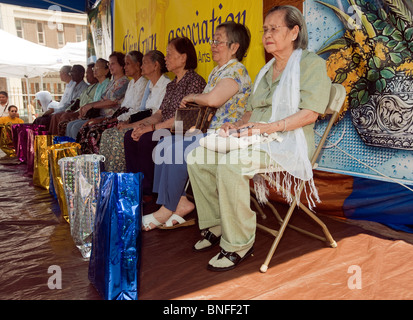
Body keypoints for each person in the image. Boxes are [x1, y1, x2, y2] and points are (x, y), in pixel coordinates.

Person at [187, 5, 332, 272]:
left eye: (274, 29)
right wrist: (236, 125)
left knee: (231, 164)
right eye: (265, 29)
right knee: (197, 156)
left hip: (289, 140)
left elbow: (310, 114)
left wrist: (266, 128)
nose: (267, 34)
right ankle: (217, 224)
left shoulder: (312, 64)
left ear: (294, 32)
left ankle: (238, 243)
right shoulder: (266, 70)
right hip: (257, 137)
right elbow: (253, 112)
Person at [145, 22, 252, 231]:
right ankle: (178, 201)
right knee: (163, 145)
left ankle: (167, 208)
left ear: (234, 47)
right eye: (212, 40)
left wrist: (192, 96)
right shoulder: (217, 71)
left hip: (224, 135)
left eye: (218, 41)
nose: (212, 45)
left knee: (176, 151)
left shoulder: (236, 71)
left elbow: (212, 99)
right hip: (206, 132)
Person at [123, 40, 206, 199]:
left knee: (147, 139)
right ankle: (135, 186)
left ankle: (150, 193)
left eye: (169, 54)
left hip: (182, 129)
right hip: (164, 126)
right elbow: (159, 113)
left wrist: (152, 129)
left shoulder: (194, 81)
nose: (165, 58)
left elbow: (183, 118)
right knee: (130, 136)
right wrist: (142, 125)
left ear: (183, 58)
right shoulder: (172, 85)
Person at [99, 49, 170, 172]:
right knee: (107, 134)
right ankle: (108, 176)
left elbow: (157, 115)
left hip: (157, 124)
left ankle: (122, 177)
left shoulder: (166, 85)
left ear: (156, 65)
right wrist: (128, 123)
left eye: (144, 63)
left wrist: (131, 125)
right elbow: (144, 112)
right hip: (145, 120)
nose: (142, 66)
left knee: (121, 137)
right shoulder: (151, 85)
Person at [77, 51, 148, 154]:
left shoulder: (141, 83)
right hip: (119, 116)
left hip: (128, 119)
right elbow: (123, 107)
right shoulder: (131, 83)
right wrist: (107, 119)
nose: (125, 67)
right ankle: (88, 163)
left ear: (137, 65)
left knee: (94, 132)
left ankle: (100, 165)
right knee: (85, 129)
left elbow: (135, 110)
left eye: (127, 64)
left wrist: (112, 119)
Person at [66, 52, 129, 141]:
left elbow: (112, 102)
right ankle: (70, 151)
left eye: (113, 64)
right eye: (109, 64)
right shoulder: (112, 83)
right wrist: (86, 107)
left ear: (122, 66)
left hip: (111, 118)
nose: (110, 66)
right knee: (70, 125)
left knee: (76, 127)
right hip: (101, 115)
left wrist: (91, 105)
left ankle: (79, 153)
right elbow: (102, 100)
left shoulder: (123, 82)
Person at [64, 58, 111, 138]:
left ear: (106, 71)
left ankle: (78, 149)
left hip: (102, 115)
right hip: (94, 114)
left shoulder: (107, 84)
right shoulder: (99, 85)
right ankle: (70, 149)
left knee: (75, 127)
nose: (94, 71)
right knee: (70, 125)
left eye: (97, 68)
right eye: (94, 68)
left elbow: (100, 104)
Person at [49, 63, 99, 135]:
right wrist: (69, 109)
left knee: (63, 117)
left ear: (81, 74)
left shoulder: (88, 87)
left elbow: (86, 104)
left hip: (85, 112)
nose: (71, 74)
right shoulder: (85, 87)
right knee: (55, 116)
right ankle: (54, 140)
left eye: (89, 73)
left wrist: (73, 111)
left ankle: (62, 141)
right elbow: (76, 101)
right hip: (77, 110)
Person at [34, 65, 88, 130]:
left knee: (53, 118)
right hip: (64, 109)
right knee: (39, 120)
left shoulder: (83, 87)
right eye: (71, 72)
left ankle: (55, 138)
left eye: (74, 72)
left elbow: (72, 104)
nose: (71, 74)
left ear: (81, 74)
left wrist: (55, 110)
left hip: (73, 111)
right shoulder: (72, 86)